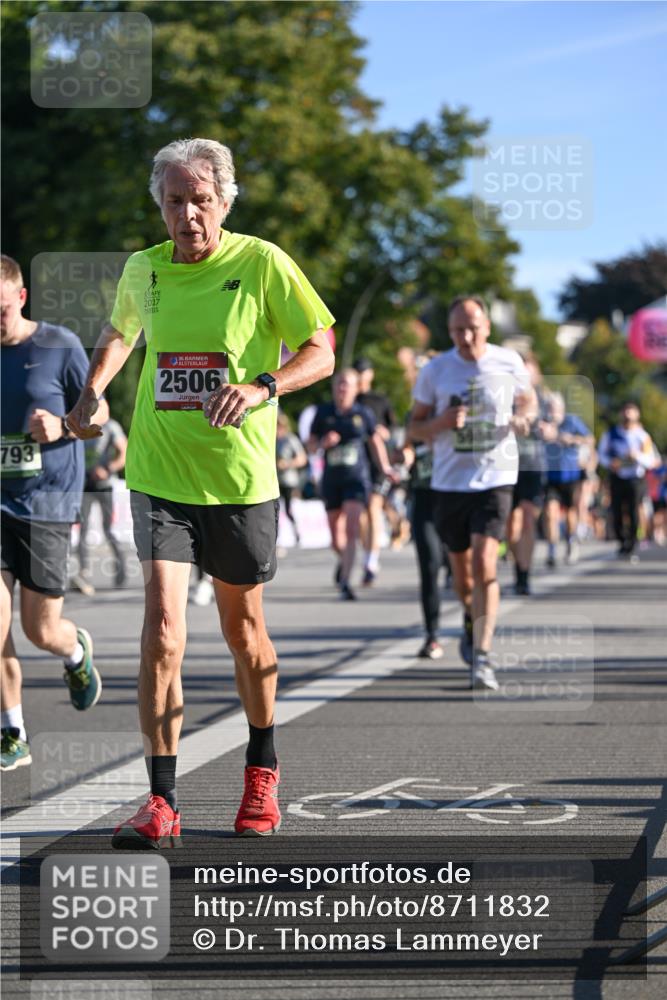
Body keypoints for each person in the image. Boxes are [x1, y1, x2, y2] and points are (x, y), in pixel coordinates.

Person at [65, 138, 335, 847]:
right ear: (159, 204)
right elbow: (121, 335)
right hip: (159, 475)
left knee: (243, 632)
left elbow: (322, 348)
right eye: (174, 201)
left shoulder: (261, 262)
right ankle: (161, 800)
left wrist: (260, 385)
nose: (188, 215)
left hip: (240, 481)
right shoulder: (143, 268)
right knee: (161, 632)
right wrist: (93, 393)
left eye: (201, 201)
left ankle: (261, 768)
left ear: (225, 202)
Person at [1, 254, 105, 771]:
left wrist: (64, 426)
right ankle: (12, 731)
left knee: (41, 629)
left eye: (0, 310)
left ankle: (74, 651)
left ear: (21, 298)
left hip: (46, 503)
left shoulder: (57, 345)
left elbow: (100, 412)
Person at [409, 295, 536, 691]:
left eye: (473, 328)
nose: (466, 336)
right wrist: (440, 423)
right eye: (457, 330)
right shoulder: (435, 370)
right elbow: (413, 429)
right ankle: (470, 614)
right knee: (464, 579)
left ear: (487, 327)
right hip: (449, 483)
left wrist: (523, 417)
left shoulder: (508, 362)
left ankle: (482, 656)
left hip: (496, 477)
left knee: (486, 566)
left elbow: (529, 401)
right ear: (449, 332)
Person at [309, 368, 395, 601]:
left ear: (356, 389)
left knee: (352, 529)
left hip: (357, 479)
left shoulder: (363, 413)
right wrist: (323, 444)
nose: (342, 389)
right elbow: (311, 445)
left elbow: (375, 441)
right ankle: (344, 559)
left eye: (347, 384)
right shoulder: (323, 413)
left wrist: (386, 467)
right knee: (336, 537)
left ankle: (346, 582)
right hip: (332, 480)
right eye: (339, 384)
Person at [507, 353, 550, 595]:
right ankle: (517, 567)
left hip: (533, 465)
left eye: (528, 370)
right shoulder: (505, 397)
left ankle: (524, 574)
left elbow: (555, 425)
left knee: (527, 519)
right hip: (506, 466)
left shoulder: (544, 399)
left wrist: (549, 428)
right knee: (509, 525)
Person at [353, 357, 397, 585]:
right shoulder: (349, 399)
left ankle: (371, 561)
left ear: (370, 374)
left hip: (378, 462)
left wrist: (382, 433)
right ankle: (367, 552)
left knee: (373, 507)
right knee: (360, 514)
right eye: (357, 372)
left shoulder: (380, 400)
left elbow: (393, 431)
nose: (360, 377)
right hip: (357, 463)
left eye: (364, 372)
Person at [71, 416, 127, 596]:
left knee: (108, 529)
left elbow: (124, 452)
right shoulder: (79, 424)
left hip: (105, 485)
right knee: (83, 530)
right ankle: (83, 574)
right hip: (85, 484)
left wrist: (108, 469)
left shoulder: (111, 425)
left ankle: (121, 567)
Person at [598, 401, 657, 561]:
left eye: (631, 412)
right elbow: (601, 455)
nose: (627, 416)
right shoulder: (611, 434)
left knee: (633, 511)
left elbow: (651, 460)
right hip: (617, 478)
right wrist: (611, 463)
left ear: (637, 415)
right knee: (616, 510)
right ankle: (621, 539)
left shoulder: (642, 436)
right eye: (625, 412)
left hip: (635, 479)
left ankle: (631, 543)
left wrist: (636, 455)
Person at [543, 393, 594, 567]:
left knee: (571, 514)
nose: (552, 412)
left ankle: (571, 542)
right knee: (551, 512)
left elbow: (590, 439)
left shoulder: (572, 422)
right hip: (550, 476)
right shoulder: (543, 423)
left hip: (571, 475)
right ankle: (551, 549)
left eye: (555, 408)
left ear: (562, 409)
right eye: (550, 408)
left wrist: (571, 439)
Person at [276, 410, 307, 545]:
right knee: (274, 511)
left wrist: (287, 464)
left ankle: (297, 533)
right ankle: (276, 539)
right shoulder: (270, 439)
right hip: (274, 480)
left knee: (288, 510)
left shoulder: (290, 439)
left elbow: (302, 459)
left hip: (288, 480)